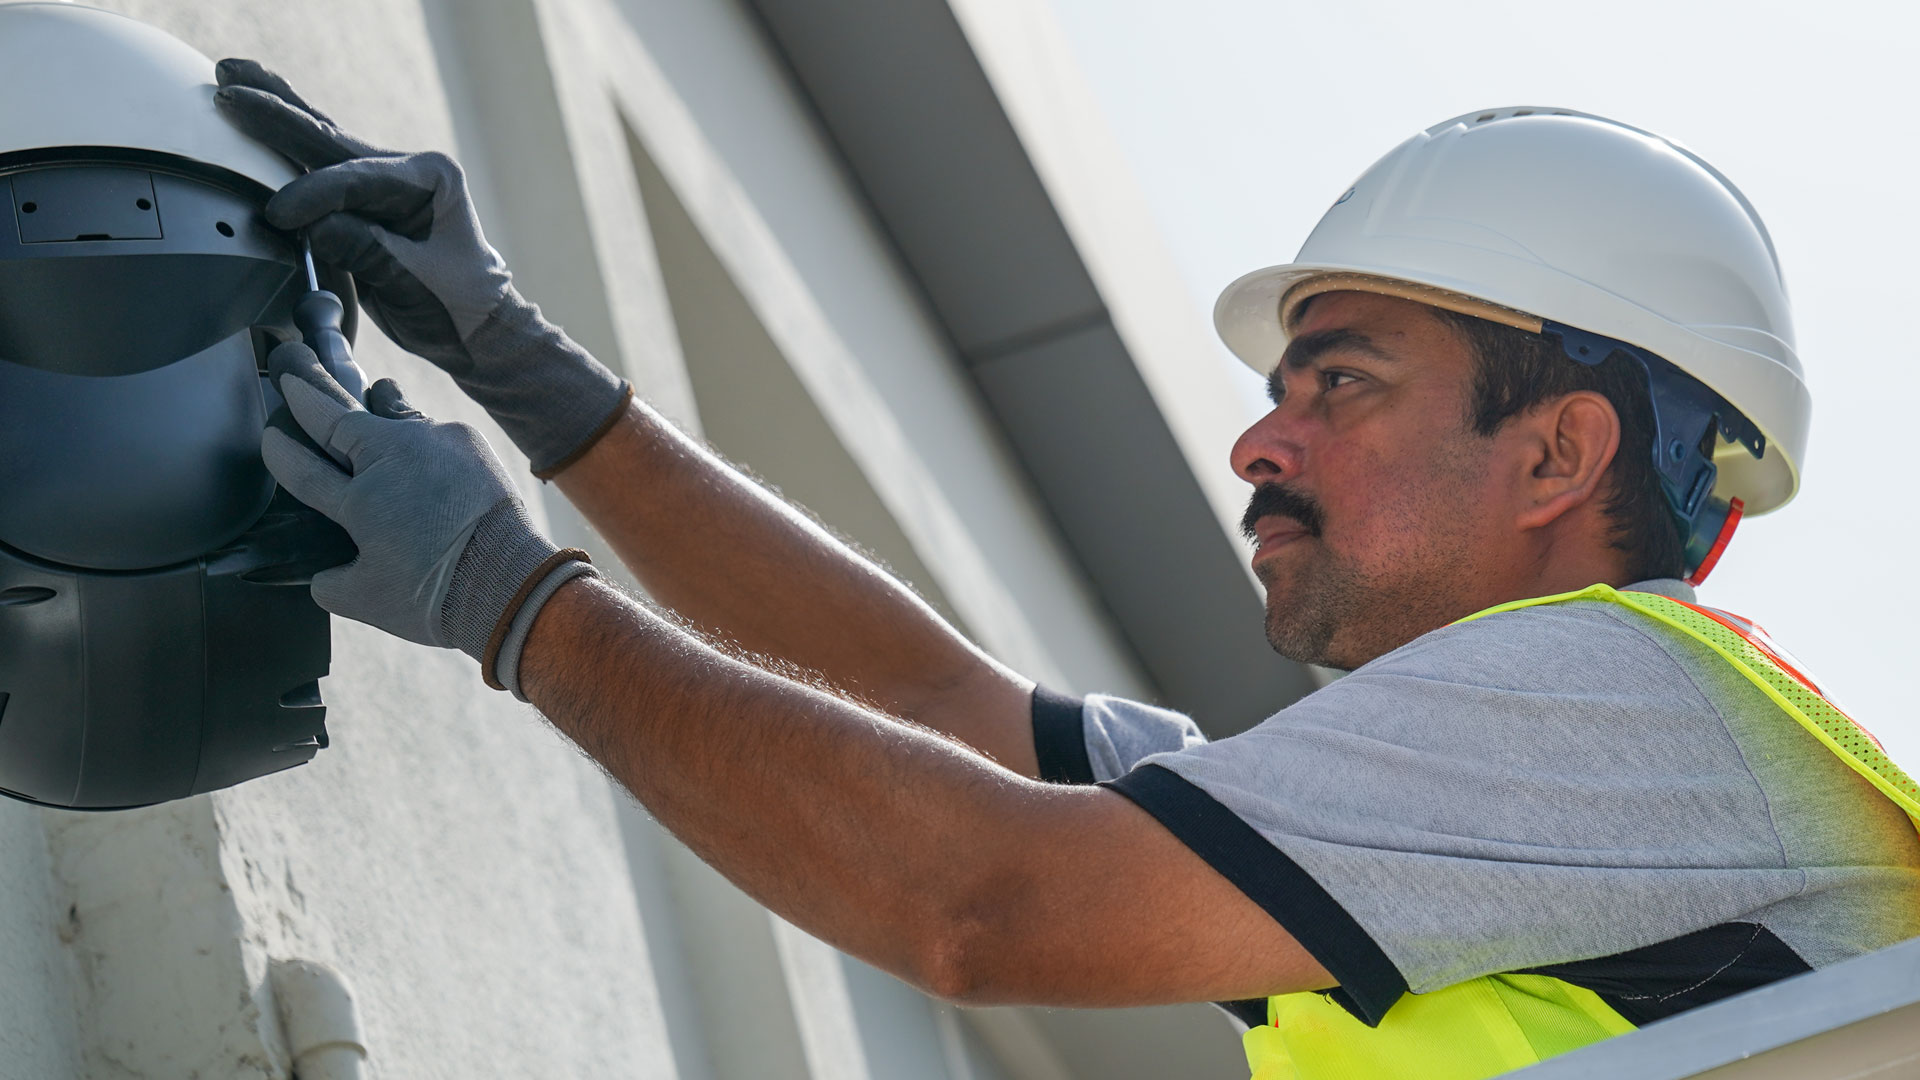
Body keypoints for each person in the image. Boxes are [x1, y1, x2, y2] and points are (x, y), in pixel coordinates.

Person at [212, 62, 1920, 1080]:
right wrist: (530, 376)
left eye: (1342, 383)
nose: (1258, 446)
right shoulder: (1521, 790)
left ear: (1557, 456)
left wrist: (513, 604)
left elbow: (980, 897)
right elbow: (943, 713)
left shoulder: (1619, 707)